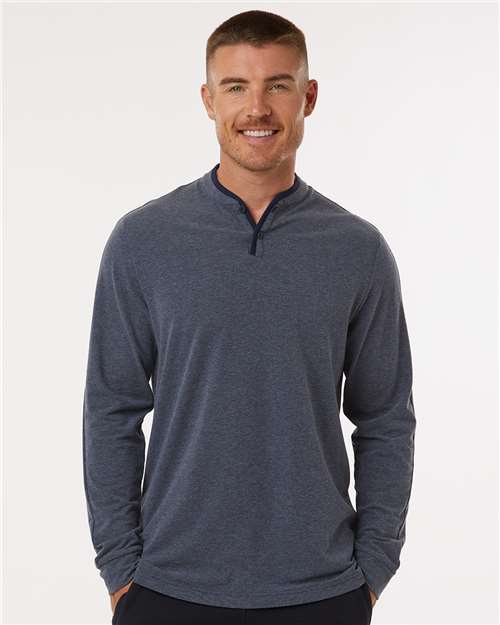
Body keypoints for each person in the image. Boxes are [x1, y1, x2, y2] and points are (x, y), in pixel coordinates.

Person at [82, 9, 416, 625]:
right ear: (208, 100)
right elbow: (111, 410)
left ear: (308, 97)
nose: (256, 108)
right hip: (166, 588)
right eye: (236, 87)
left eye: (277, 85)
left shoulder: (357, 250)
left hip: (322, 592)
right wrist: (120, 567)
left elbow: (386, 417)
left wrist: (374, 566)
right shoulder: (143, 241)